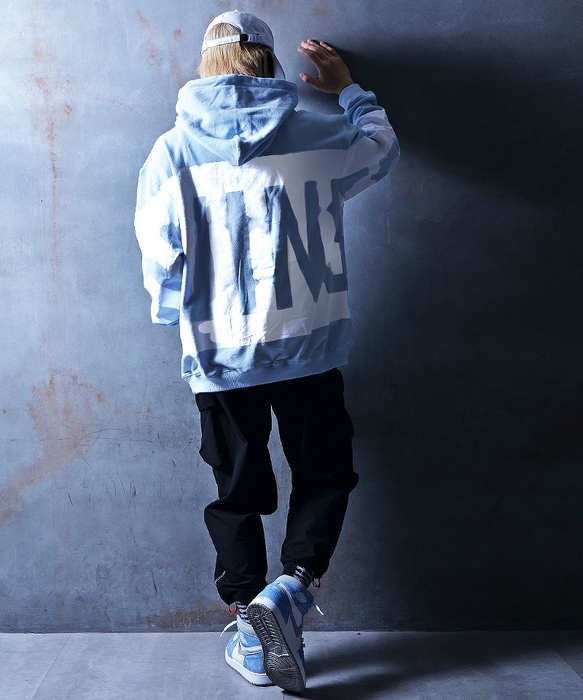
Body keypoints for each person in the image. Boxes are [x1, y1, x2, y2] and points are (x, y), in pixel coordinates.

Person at [135, 10, 399, 693]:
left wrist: (186, 318)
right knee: (324, 473)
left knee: (237, 491)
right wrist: (349, 91)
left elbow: (159, 256)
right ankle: (293, 588)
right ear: (267, 59)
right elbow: (380, 149)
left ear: (208, 63)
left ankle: (251, 629)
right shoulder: (316, 130)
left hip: (219, 354)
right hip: (310, 343)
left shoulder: (172, 151)